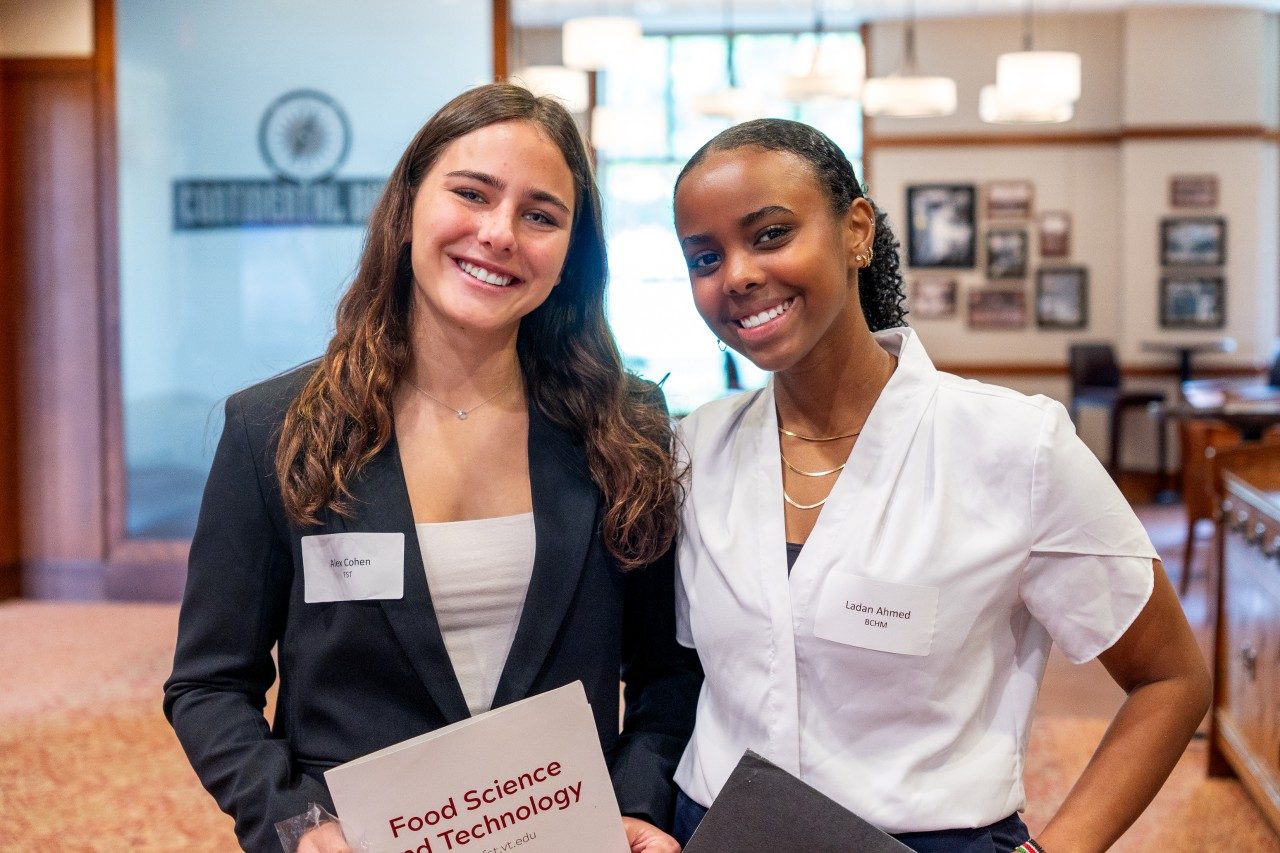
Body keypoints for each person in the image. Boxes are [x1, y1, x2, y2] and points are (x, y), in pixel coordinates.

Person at [163, 83, 700, 853]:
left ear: (570, 255)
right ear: (409, 204)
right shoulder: (273, 428)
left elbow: (668, 671)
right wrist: (295, 823)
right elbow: (208, 684)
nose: (500, 233)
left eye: (540, 215)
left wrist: (640, 801)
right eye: (472, 194)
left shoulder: (625, 424)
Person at [668, 118, 1211, 852]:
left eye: (769, 234)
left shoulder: (1015, 445)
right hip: (717, 831)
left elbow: (1172, 680)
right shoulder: (695, 450)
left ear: (857, 229)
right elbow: (677, 677)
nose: (735, 275)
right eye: (705, 256)